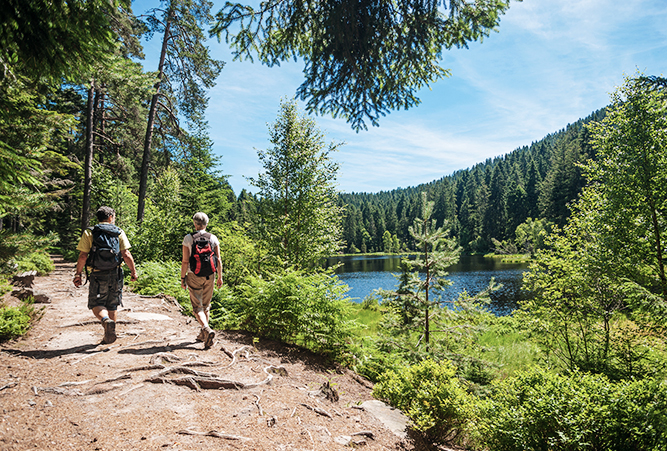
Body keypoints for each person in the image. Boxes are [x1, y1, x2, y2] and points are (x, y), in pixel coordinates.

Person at [73, 206, 137, 344]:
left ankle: (105, 321)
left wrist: (78, 274)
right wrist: (133, 271)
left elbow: (83, 255)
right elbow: (126, 254)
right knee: (112, 304)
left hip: (97, 273)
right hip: (115, 273)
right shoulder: (119, 231)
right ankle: (110, 335)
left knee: (96, 303)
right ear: (110, 217)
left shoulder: (90, 232)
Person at [181, 212, 222, 349]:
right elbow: (219, 260)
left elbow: (185, 261)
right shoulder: (213, 238)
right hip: (210, 275)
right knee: (206, 305)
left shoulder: (188, 238)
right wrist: (220, 277)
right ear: (206, 224)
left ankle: (205, 328)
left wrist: (183, 278)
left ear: (194, 223)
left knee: (197, 307)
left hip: (194, 275)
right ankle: (203, 336)